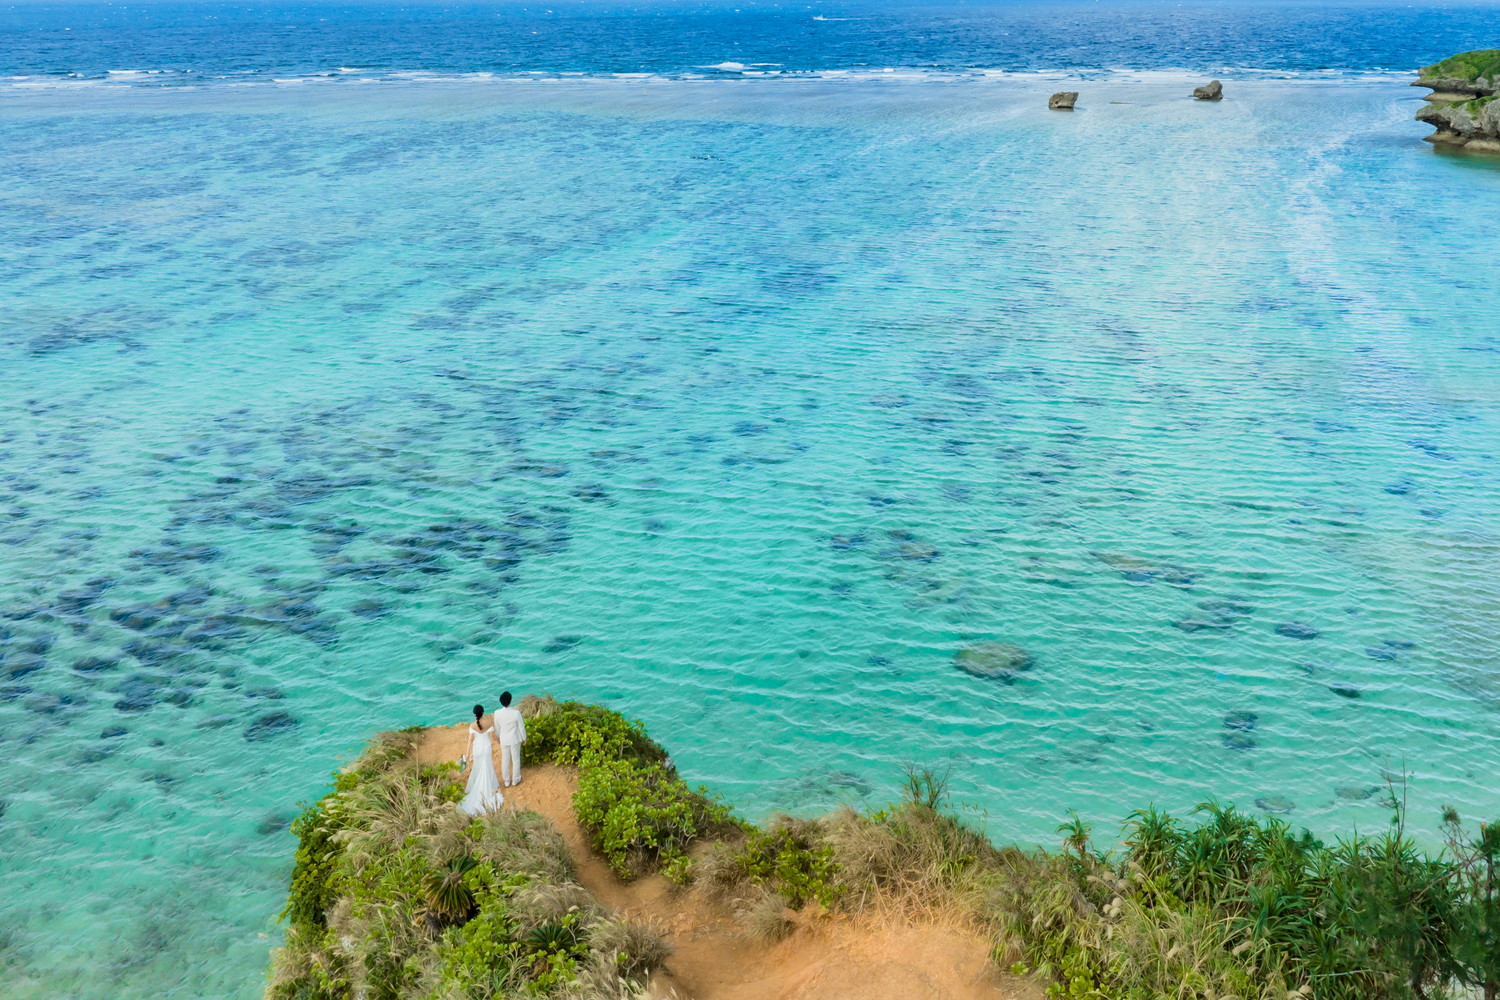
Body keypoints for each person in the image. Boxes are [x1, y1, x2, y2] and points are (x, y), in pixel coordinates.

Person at [458, 704, 503, 815]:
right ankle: (490, 785)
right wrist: (499, 741)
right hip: (486, 748)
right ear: (483, 712)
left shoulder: (472, 725)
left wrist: (467, 754)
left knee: (477, 767)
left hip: (477, 749)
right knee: (487, 766)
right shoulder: (489, 722)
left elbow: (470, 740)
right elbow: (493, 737)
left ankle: (476, 786)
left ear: (475, 714)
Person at [494, 690, 527, 787]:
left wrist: (498, 738)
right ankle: (515, 779)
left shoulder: (497, 713)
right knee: (516, 759)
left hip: (503, 739)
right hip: (514, 739)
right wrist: (524, 737)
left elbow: (497, 727)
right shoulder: (516, 713)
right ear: (510, 701)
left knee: (505, 759)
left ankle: (506, 780)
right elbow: (521, 726)